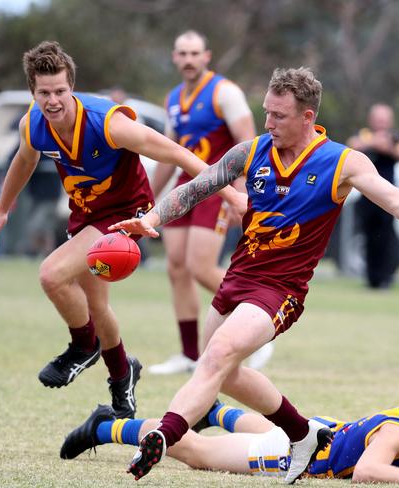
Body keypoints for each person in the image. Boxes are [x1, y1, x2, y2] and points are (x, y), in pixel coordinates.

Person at [109, 67, 399, 483]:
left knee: (217, 355)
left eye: (278, 116)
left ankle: (164, 435)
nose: (268, 123)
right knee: (222, 372)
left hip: (280, 290)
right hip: (238, 278)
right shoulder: (252, 152)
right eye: (266, 112)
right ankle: (302, 433)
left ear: (307, 116)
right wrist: (150, 218)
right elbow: (198, 186)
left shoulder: (342, 162)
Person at [0, 41, 246, 419]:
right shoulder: (32, 124)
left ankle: (83, 346)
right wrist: (2, 211)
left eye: (60, 91)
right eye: (44, 93)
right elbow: (24, 160)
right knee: (97, 306)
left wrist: (231, 192)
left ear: (72, 86)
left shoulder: (108, 123)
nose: (53, 101)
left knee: (52, 275)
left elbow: (176, 153)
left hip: (126, 213)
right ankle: (123, 377)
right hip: (85, 215)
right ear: (32, 92)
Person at [61, 375, 399, 487]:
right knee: (197, 453)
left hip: (322, 433)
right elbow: (367, 472)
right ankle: (105, 426)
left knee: (263, 424)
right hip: (295, 456)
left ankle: (216, 410)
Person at [147, 30, 265, 376]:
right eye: (182, 53)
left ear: (206, 57)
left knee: (200, 267)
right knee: (176, 269)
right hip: (186, 188)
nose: (188, 60)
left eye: (194, 53)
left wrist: (243, 195)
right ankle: (189, 354)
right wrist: (149, 197)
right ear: (174, 57)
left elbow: (249, 145)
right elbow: (169, 153)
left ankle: (256, 322)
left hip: (219, 188)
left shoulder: (225, 92)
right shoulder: (172, 99)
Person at [347, 103, 399, 289]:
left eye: (384, 119)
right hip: (367, 197)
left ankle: (386, 278)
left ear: (390, 121)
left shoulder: (397, 137)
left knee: (387, 238)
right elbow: (352, 145)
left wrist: (387, 147)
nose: (381, 123)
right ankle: (371, 278)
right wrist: (373, 142)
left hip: (389, 196)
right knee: (368, 237)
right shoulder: (365, 135)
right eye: (378, 119)